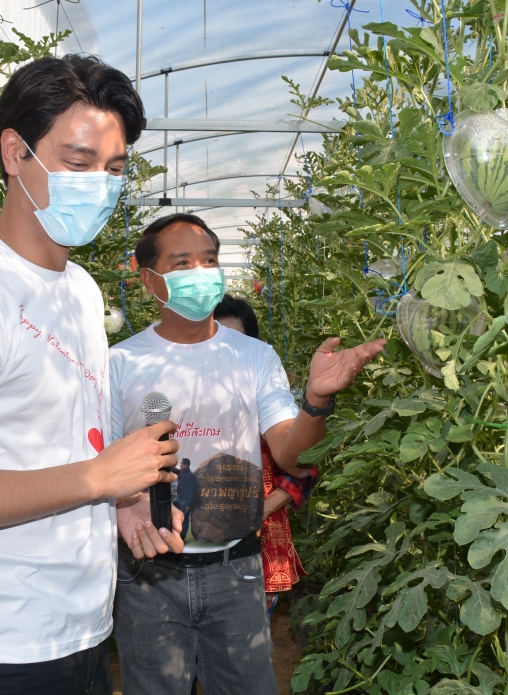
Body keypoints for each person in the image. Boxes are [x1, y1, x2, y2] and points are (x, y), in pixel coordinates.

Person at [0, 55, 185, 695]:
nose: (99, 186)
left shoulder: (78, 290)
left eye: (114, 169)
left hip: (81, 629)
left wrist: (121, 504)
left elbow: (54, 444)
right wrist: (99, 477)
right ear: (13, 153)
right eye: (77, 163)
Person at [109, 214, 386, 695]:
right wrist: (124, 508)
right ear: (149, 280)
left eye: (209, 260)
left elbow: (293, 457)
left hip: (234, 569)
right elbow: (103, 469)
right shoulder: (119, 363)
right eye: (182, 263)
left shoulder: (255, 356)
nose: (200, 272)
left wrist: (315, 400)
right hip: (147, 573)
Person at [213, 295, 315, 617]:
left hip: (261, 539)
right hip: (197, 544)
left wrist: (260, 512)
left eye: (235, 342)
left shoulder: (267, 400)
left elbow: (305, 467)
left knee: (248, 632)